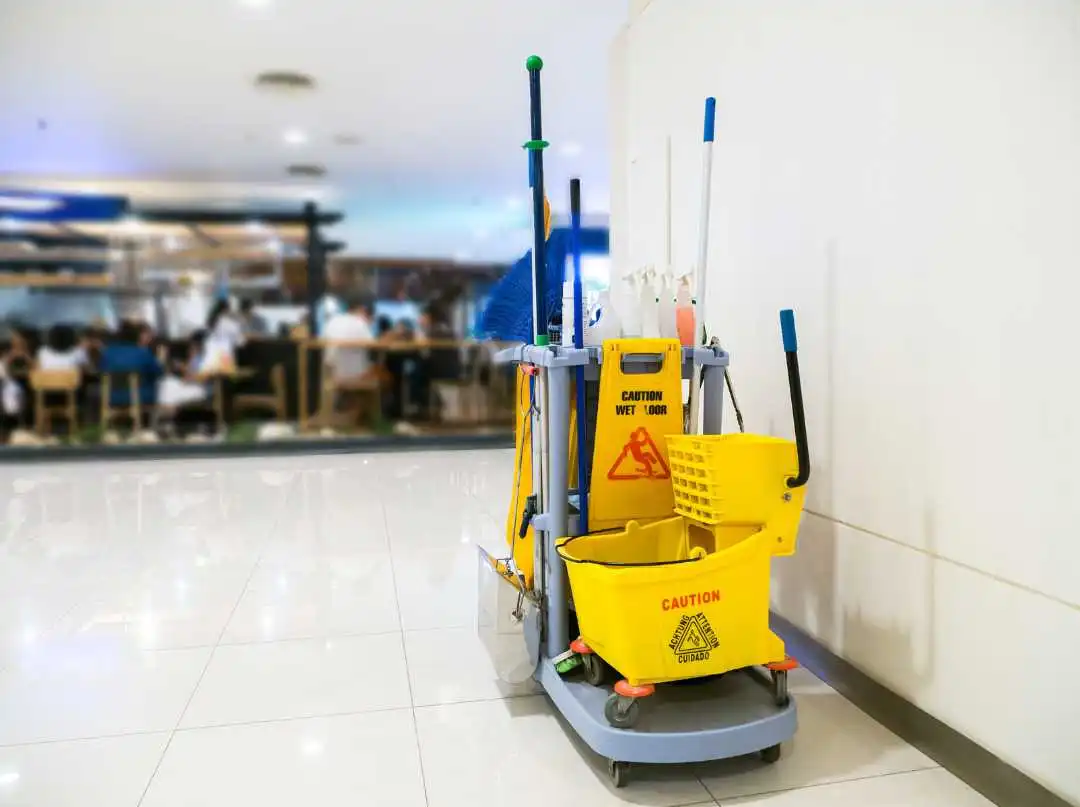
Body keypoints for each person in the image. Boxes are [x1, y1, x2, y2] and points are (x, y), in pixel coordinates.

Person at [100, 321, 163, 412]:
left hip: (111, 397)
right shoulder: (143, 352)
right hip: (140, 396)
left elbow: (101, 371)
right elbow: (159, 372)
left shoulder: (107, 352)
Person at [322, 295, 378, 385]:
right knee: (387, 374)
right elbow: (374, 346)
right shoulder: (360, 322)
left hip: (333, 374)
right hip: (357, 375)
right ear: (362, 308)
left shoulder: (332, 321)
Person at [203, 299, 245, 373]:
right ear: (227, 310)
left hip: (209, 361)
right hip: (224, 361)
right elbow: (241, 343)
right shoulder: (231, 324)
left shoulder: (209, 323)